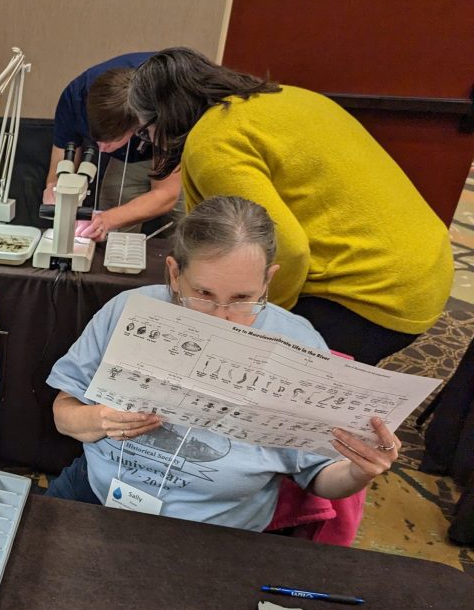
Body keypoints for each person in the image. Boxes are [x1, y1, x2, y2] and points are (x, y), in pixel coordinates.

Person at [46, 196, 401, 531]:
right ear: (173, 273)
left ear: (268, 281)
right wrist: (99, 419)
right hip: (97, 491)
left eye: (243, 299)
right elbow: (63, 414)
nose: (222, 318)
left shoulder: (298, 344)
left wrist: (359, 472)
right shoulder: (128, 310)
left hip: (218, 528)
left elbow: (320, 477)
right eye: (203, 294)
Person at [127, 47, 453, 365]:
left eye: (146, 130)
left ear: (163, 117)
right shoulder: (283, 96)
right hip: (428, 268)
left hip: (371, 294)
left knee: (263, 385)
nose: (151, 140)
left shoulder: (212, 142)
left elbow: (287, 251)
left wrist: (259, 326)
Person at [44, 53, 182, 239]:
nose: (101, 149)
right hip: (132, 149)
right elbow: (61, 159)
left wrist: (107, 220)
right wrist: (54, 190)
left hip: (179, 144)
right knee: (114, 196)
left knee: (186, 220)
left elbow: (166, 194)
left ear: (137, 126)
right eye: (95, 141)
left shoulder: (162, 109)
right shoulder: (74, 98)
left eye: (109, 143)